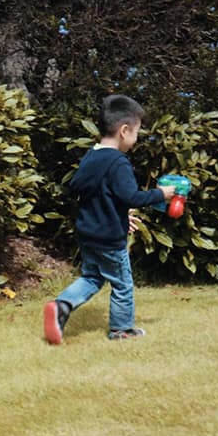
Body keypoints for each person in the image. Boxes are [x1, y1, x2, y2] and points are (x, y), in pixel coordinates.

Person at [43, 95, 175, 344]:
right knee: (122, 284)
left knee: (91, 277)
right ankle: (121, 330)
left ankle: (61, 305)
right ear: (124, 131)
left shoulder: (91, 157)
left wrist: (119, 212)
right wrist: (161, 194)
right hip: (110, 238)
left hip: (88, 234)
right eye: (136, 132)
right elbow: (132, 197)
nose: (136, 140)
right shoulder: (118, 162)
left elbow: (87, 190)